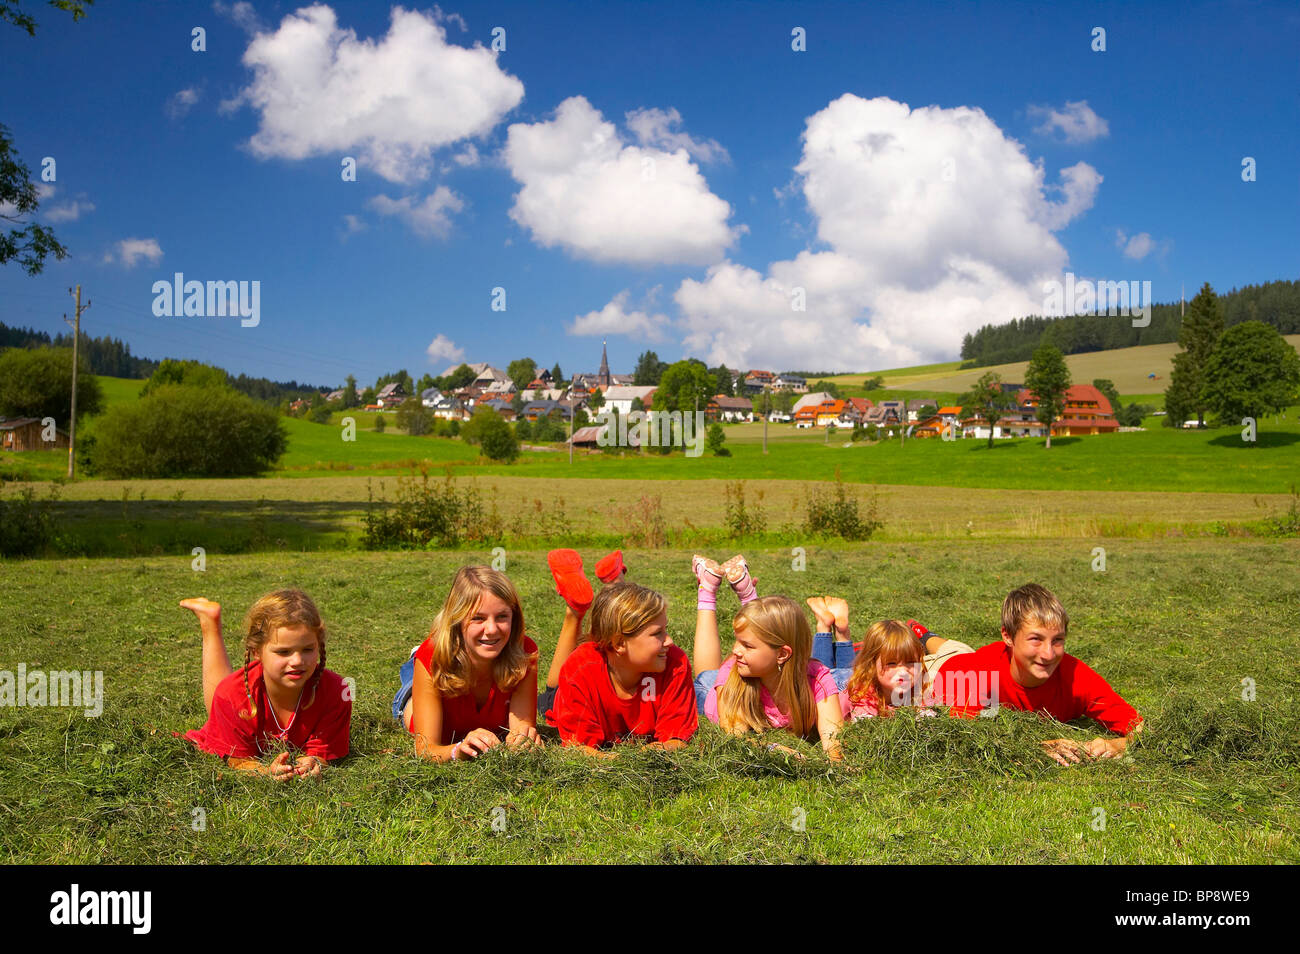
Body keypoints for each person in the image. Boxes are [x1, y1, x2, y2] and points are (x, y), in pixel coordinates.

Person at [922, 582, 1144, 765]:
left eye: (1057, 640)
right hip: (937, 672)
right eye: (1036, 639)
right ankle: (916, 632)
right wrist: (1038, 748)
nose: (1048, 654)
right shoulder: (978, 675)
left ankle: (923, 633)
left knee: (957, 647)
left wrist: (1117, 744)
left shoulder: (1077, 676)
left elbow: (1140, 727)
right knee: (924, 655)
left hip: (970, 654)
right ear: (1008, 636)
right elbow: (965, 739)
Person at [180, 590, 350, 779]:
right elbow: (238, 760)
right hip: (233, 697)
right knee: (224, 702)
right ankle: (209, 623)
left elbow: (321, 751)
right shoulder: (231, 694)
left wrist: (314, 762)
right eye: (283, 652)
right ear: (256, 652)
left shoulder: (337, 690)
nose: (297, 660)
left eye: (308, 649)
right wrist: (265, 772)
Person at [691, 555, 847, 759]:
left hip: (762, 667)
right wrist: (777, 751)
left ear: (782, 654)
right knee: (704, 675)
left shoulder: (817, 678)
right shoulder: (733, 673)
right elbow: (736, 738)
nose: (735, 650)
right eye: (737, 641)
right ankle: (707, 590)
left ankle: (748, 596)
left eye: (746, 645)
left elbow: (834, 743)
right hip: (709, 688)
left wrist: (835, 762)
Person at [392, 565, 540, 762]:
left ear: (515, 616)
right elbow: (426, 750)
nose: (492, 629)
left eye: (502, 616)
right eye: (478, 618)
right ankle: (416, 662)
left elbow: (520, 730)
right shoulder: (432, 658)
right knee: (414, 685)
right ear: (457, 620)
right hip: (430, 677)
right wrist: (458, 751)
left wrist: (524, 741)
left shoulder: (524, 653)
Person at [545, 579, 698, 755]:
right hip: (562, 699)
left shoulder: (674, 663)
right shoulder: (581, 669)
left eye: (666, 630)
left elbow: (677, 739)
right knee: (550, 695)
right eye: (657, 633)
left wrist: (651, 752)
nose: (669, 641)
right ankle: (573, 613)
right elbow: (579, 747)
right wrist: (613, 761)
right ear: (619, 643)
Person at [806, 597, 936, 719]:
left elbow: (927, 714)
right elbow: (867, 733)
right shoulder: (863, 697)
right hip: (836, 686)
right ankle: (824, 627)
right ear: (871, 665)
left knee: (846, 671)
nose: (903, 671)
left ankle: (841, 632)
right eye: (891, 663)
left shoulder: (917, 686)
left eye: (910, 662)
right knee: (820, 672)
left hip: (853, 677)